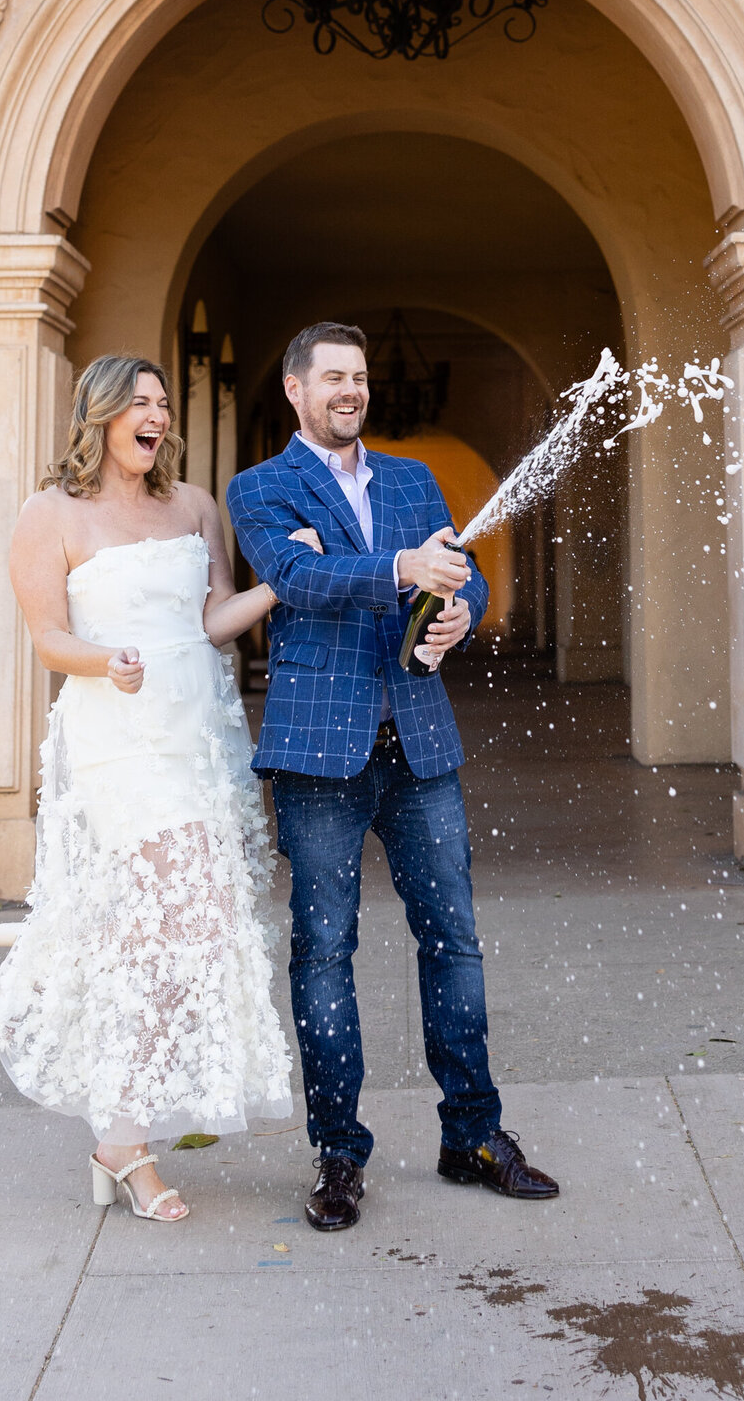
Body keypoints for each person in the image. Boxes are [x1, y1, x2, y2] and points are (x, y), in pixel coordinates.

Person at [227, 319, 559, 1233]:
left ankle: (474, 1136)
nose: (351, 391)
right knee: (324, 951)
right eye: (332, 376)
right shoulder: (260, 487)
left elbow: (468, 572)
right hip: (317, 757)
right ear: (295, 390)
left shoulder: (412, 480)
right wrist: (401, 570)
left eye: (361, 377)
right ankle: (338, 1154)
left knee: (453, 939)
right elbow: (295, 576)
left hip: (419, 744)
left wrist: (459, 612)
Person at [0, 354, 292, 1225]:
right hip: (117, 734)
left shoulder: (195, 507)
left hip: (198, 729)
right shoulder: (50, 514)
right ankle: (121, 1135)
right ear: (101, 415)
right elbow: (48, 636)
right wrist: (103, 660)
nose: (155, 416)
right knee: (173, 920)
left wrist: (281, 581)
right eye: (139, 403)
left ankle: (108, 1109)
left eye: (163, 403)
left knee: (186, 927)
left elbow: (210, 621)